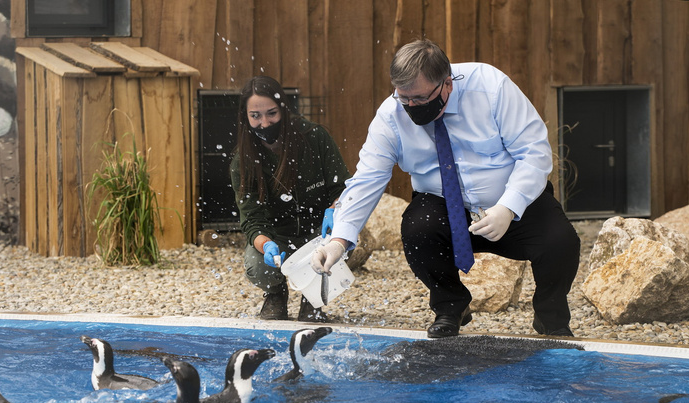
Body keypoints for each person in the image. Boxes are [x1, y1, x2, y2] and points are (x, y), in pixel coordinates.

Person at [312, 39, 580, 338]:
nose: (412, 107)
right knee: (417, 231)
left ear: (447, 84)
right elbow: (367, 179)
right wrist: (339, 240)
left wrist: (508, 206)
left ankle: (551, 318)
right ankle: (450, 307)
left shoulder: (492, 88)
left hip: (511, 201)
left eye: (421, 99)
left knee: (562, 241)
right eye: (405, 98)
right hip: (440, 204)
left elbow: (534, 153)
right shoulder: (391, 116)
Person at [231, 76, 350, 322]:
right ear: (246, 117)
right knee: (256, 265)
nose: (264, 123)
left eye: (271, 113)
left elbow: (343, 189)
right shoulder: (242, 160)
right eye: (255, 116)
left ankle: (313, 297)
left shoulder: (315, 138)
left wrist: (335, 211)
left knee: (338, 242)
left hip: (318, 233)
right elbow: (251, 219)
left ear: (283, 110)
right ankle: (275, 293)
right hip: (278, 236)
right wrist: (266, 245)